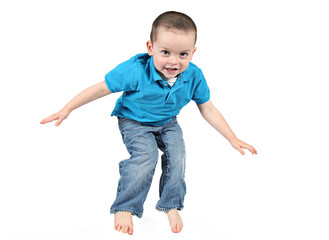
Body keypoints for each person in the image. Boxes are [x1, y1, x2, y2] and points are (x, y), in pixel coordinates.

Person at [40, 11, 257, 235]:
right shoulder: (135, 70)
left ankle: (170, 203)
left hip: (167, 122)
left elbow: (207, 108)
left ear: (193, 53)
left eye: (182, 54)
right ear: (150, 48)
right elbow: (101, 88)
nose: (173, 61)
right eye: (165, 52)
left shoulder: (194, 76)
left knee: (179, 155)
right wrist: (67, 108)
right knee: (147, 156)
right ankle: (125, 207)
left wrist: (232, 138)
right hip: (134, 121)